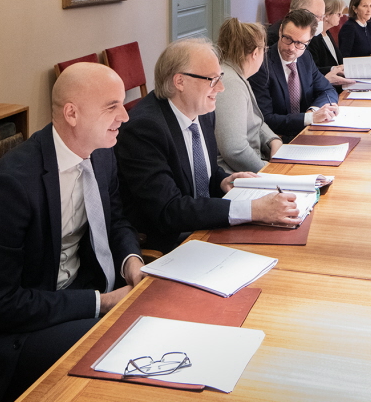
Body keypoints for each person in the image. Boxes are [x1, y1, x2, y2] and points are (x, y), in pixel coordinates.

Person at [0, 63, 143, 402]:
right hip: (10, 330)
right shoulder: (10, 187)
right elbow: (0, 305)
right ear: (72, 114)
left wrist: (132, 264)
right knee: (117, 349)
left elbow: (115, 221)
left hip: (71, 291)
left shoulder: (102, 153)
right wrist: (102, 303)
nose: (125, 116)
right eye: (111, 106)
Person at [116, 38, 301, 253]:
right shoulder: (144, 130)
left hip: (204, 225)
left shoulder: (201, 111)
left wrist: (222, 181)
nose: (221, 88)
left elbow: (203, 173)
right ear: (180, 81)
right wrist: (253, 209)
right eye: (212, 80)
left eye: (220, 78)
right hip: (173, 242)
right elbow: (169, 210)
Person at [249, 9, 340, 142]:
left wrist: (314, 111)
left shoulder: (305, 58)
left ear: (309, 41)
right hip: (277, 140)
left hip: (307, 134)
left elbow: (327, 90)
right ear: (280, 31)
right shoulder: (262, 65)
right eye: (288, 39)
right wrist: (310, 118)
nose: (292, 48)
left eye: (299, 43)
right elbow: (266, 119)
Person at [214, 17, 284, 173]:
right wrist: (269, 173)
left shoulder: (237, 75)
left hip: (250, 167)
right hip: (235, 175)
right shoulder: (230, 83)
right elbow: (235, 150)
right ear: (255, 53)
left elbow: (255, 121)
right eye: (264, 50)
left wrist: (273, 140)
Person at [308, 0, 356, 90]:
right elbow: (313, 70)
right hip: (326, 87)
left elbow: (337, 60)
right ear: (326, 15)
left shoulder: (327, 33)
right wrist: (333, 68)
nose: (342, 16)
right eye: (338, 13)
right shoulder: (314, 38)